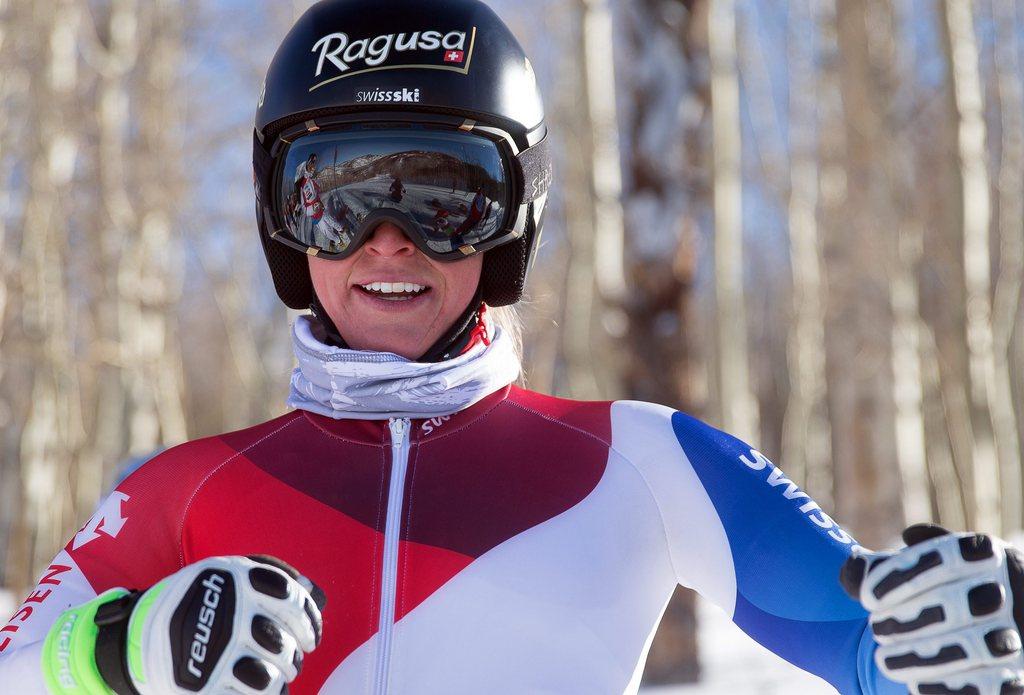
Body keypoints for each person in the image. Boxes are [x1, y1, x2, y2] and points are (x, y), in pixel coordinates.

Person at [2, 1, 1023, 694]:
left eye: (444, 198)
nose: (389, 240)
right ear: (283, 222)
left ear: (511, 222)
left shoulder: (644, 458)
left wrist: (963, 633)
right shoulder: (185, 485)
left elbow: (863, 634)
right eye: (339, 201)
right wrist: (130, 646)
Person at [295, 153, 348, 247]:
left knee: (332, 220)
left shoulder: (311, 181)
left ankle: (341, 229)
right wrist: (314, 208)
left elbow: (316, 194)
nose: (314, 167)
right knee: (327, 231)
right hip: (316, 217)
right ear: (306, 166)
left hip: (321, 210)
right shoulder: (302, 187)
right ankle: (338, 241)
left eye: (315, 164)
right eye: (312, 164)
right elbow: (304, 209)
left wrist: (319, 202)